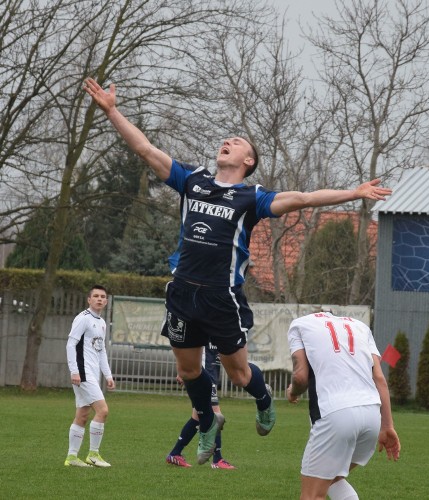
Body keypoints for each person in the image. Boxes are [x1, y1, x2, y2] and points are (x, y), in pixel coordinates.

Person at [82, 78, 392, 466]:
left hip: (220, 295)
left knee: (240, 372)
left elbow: (304, 198)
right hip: (182, 291)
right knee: (188, 369)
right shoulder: (191, 180)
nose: (227, 141)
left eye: (237, 141)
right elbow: (145, 150)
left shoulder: (251, 197)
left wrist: (355, 192)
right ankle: (208, 421)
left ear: (247, 161)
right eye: (226, 139)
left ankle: (263, 400)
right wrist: (112, 111)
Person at [286, 311, 401, 499]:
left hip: (336, 413)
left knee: (312, 495)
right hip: (372, 415)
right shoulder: (360, 326)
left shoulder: (300, 324)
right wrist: (387, 426)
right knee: (333, 479)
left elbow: (300, 377)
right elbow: (379, 378)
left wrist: (292, 392)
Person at [64, 284, 115, 467]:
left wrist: (108, 375)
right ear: (89, 299)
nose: (99, 299)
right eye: (96, 296)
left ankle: (71, 457)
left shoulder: (101, 322)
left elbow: (101, 352)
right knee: (103, 411)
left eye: (103, 296)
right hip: (83, 373)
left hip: (92, 373)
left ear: (106, 301)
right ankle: (93, 454)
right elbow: (71, 345)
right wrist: (74, 371)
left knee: (83, 415)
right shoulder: (82, 319)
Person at [166, 343, 236, 469]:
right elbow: (186, 345)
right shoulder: (206, 325)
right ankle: (217, 459)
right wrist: (183, 369)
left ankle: (175, 453)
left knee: (197, 416)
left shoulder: (219, 327)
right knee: (215, 415)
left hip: (209, 373)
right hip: (202, 375)